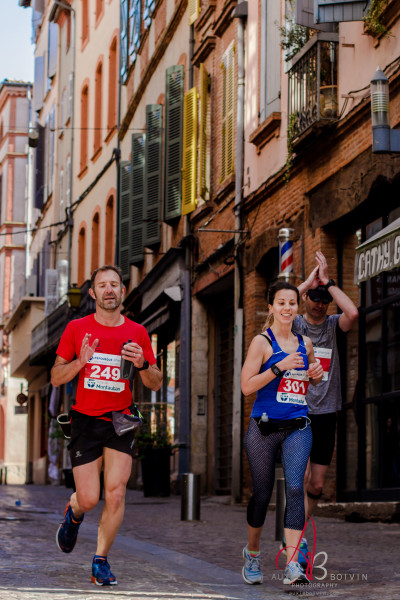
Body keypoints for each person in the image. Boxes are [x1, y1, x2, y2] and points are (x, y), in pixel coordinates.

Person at [51, 265, 162, 586]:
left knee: (115, 494)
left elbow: (155, 382)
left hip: (121, 419)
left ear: (123, 291)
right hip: (85, 419)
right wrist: (80, 362)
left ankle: (100, 560)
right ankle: (73, 514)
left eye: (115, 284)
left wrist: (142, 363)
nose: (109, 290)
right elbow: (56, 377)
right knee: (88, 498)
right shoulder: (76, 329)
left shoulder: (138, 332)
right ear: (93, 293)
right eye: (103, 285)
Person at [241, 280, 324, 586]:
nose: (287, 308)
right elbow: (246, 386)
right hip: (263, 427)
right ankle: (252, 553)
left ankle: (292, 565)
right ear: (271, 307)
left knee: (294, 488)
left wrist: (316, 374)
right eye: (281, 303)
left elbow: (312, 378)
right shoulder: (261, 343)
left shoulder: (306, 344)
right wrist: (278, 367)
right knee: (262, 494)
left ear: (296, 307)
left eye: (292, 303)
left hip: (297, 425)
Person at [292, 251, 358, 564]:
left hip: (326, 414)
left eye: (324, 299)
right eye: (314, 297)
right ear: (306, 298)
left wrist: (330, 282)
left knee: (316, 483)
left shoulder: (332, 325)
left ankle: (298, 530)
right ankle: (294, 540)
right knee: (300, 476)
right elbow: (285, 303)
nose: (319, 303)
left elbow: (354, 313)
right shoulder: (293, 325)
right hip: (297, 412)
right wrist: (308, 282)